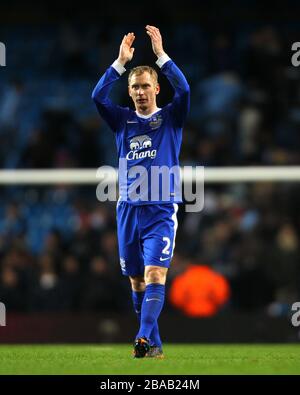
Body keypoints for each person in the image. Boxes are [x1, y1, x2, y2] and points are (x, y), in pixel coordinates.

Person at [92, 25, 190, 358]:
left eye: (146, 85)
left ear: (157, 88)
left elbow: (185, 90)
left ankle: (142, 337)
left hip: (161, 208)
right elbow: (97, 97)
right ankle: (154, 345)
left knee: (154, 273)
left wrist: (161, 56)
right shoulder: (122, 120)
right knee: (136, 281)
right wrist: (119, 65)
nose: (140, 92)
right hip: (128, 209)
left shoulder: (172, 117)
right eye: (135, 87)